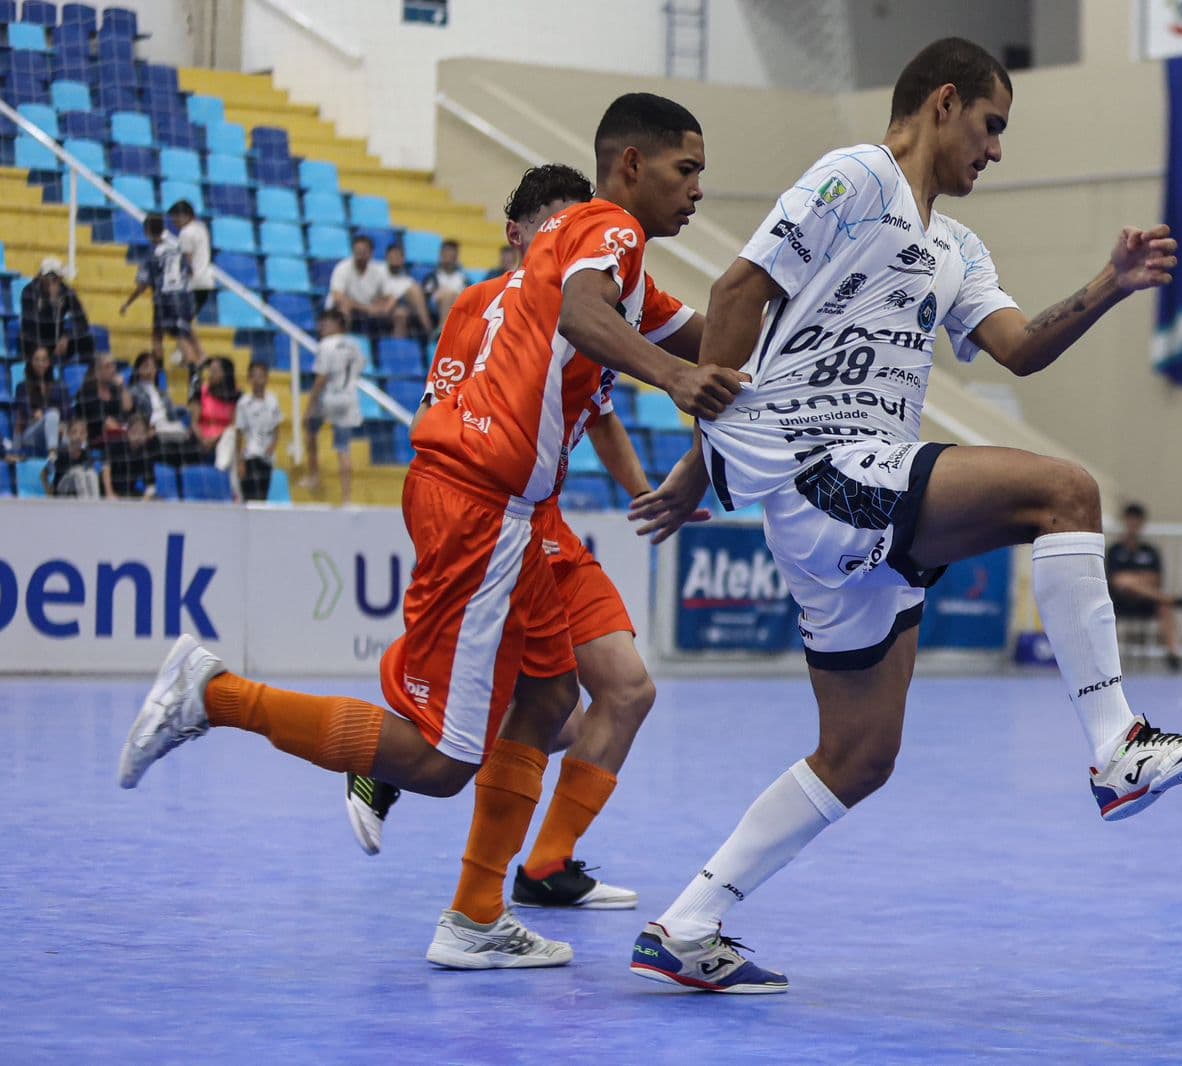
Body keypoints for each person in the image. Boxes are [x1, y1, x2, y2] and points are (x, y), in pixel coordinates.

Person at [627, 38, 1182, 993]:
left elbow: (1021, 349)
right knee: (1067, 492)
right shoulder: (856, 176)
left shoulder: (958, 247)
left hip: (857, 489)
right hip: (823, 463)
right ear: (944, 103)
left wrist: (1109, 287)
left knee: (861, 755)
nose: (996, 151)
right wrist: (710, 454)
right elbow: (737, 293)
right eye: (992, 127)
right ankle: (1118, 745)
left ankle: (688, 921)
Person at [118, 92, 744, 970]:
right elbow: (590, 321)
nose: (699, 191)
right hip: (486, 504)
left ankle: (479, 913)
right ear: (632, 166)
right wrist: (677, 380)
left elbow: (718, 328)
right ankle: (213, 696)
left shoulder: (605, 266)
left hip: (503, 506)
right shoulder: (610, 233)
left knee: (555, 694)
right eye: (688, 171)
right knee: (447, 760)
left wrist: (805, 323)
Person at [346, 162, 706, 921]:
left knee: (623, 692)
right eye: (552, 223)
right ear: (517, 233)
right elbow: (449, 439)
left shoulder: (590, 292)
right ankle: (391, 756)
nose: (568, 237)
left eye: (578, 221)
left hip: (545, 521)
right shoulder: (485, 306)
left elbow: (603, 413)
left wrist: (643, 491)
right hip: (500, 513)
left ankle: (541, 867)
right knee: (543, 710)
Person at [1106, 502, 1182, 672]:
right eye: (1130, 521)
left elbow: (1155, 580)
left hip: (1146, 601)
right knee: (1126, 586)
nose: (1133, 525)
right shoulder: (1114, 550)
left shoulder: (1150, 551)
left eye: (1137, 521)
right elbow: (1117, 581)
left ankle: (1173, 656)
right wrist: (1139, 579)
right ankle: (1172, 599)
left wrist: (1132, 580)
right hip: (1120, 601)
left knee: (1164, 609)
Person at [121, 216, 204, 374]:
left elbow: (143, 284)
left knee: (176, 337)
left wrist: (128, 303)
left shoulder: (153, 254)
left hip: (166, 299)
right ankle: (199, 356)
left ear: (147, 232)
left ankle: (190, 372)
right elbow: (191, 269)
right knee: (163, 332)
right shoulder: (177, 246)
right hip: (184, 297)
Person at [299, 309, 365, 505]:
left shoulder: (326, 345)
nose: (322, 328)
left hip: (330, 398)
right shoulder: (355, 346)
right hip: (349, 399)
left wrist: (309, 405)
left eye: (326, 324)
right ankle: (347, 498)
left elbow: (321, 378)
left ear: (338, 325)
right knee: (343, 447)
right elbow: (361, 366)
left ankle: (314, 476)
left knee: (310, 429)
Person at [19, 258, 96, 366]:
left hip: (58, 339)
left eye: (55, 278)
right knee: (28, 338)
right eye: (49, 277)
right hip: (36, 337)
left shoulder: (66, 292)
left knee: (87, 340)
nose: (52, 281)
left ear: (61, 278)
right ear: (41, 276)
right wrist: (50, 303)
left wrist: (68, 336)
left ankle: (89, 375)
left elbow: (82, 321)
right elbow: (32, 323)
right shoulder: (30, 291)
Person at [127, 351, 197, 463]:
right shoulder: (133, 391)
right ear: (138, 369)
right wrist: (147, 429)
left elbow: (173, 416)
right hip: (152, 428)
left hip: (168, 427)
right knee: (164, 446)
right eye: (146, 366)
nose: (150, 370)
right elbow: (135, 415)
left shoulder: (163, 393)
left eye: (152, 367)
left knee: (192, 444)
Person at [234, 360, 282, 502]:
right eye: (254, 376)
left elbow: (276, 427)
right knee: (250, 497)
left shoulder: (272, 401)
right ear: (249, 378)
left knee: (263, 496)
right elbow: (239, 433)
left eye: (261, 376)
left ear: (267, 378)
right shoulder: (244, 403)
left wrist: (273, 446)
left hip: (266, 458)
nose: (257, 379)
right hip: (249, 456)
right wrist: (240, 461)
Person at [324, 235, 388, 341]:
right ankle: (343, 343)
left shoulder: (379, 270)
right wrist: (367, 308)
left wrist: (380, 305)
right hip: (340, 309)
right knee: (345, 307)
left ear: (371, 253)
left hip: (367, 309)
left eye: (363, 251)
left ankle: (392, 349)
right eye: (357, 251)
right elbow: (338, 296)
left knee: (398, 313)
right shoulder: (342, 267)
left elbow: (387, 295)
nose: (360, 255)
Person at [10, 347, 68, 457]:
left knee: (75, 435)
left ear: (49, 363)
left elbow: (67, 412)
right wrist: (39, 414)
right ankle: (53, 453)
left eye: (44, 360)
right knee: (52, 415)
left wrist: (43, 412)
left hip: (58, 429)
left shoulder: (59, 386)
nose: (40, 363)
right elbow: (26, 413)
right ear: (31, 362)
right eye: (37, 359)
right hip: (32, 432)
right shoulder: (22, 387)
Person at [72, 352, 134, 449]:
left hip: (119, 436)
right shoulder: (86, 393)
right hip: (97, 440)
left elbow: (128, 409)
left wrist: (123, 387)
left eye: (113, 366)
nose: (113, 370)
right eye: (107, 367)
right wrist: (130, 435)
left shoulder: (115, 390)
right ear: (97, 371)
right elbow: (105, 423)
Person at [168, 201, 216, 320]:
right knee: (188, 319)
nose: (174, 222)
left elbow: (187, 260)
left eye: (176, 218)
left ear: (186, 215)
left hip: (193, 282)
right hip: (207, 280)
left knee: (181, 320)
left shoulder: (185, 233)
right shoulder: (202, 228)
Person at [191, 356, 239, 467]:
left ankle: (220, 470)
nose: (210, 374)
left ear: (225, 374)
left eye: (215, 371)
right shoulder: (201, 391)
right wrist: (203, 440)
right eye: (210, 371)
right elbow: (194, 422)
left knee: (231, 435)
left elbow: (234, 425)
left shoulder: (236, 396)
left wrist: (214, 440)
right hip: (200, 440)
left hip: (223, 441)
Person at [379, 242, 433, 339]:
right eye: (392, 255)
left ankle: (427, 330)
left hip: (393, 309)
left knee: (401, 314)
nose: (395, 258)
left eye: (398, 256)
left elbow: (395, 302)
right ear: (387, 257)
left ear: (403, 259)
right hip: (375, 303)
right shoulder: (377, 270)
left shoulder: (407, 281)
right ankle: (429, 330)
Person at [103, 411, 159, 500]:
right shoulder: (116, 446)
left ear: (146, 435)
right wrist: (110, 494)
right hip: (107, 492)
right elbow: (106, 469)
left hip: (129, 494)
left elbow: (151, 485)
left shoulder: (146, 455)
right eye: (134, 431)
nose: (137, 436)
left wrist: (144, 501)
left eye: (142, 433)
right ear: (128, 431)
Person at [47, 417, 98, 497]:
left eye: (82, 433)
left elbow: (88, 469)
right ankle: (85, 503)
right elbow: (49, 473)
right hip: (61, 487)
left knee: (91, 474)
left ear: (86, 435)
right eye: (75, 432)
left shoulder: (86, 453)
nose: (78, 436)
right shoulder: (61, 452)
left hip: (78, 484)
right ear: (68, 434)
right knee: (77, 472)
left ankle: (95, 503)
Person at [422, 239, 469, 326]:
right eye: (446, 254)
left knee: (453, 295)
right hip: (436, 307)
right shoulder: (433, 277)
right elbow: (426, 297)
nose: (448, 257)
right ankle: (443, 328)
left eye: (451, 255)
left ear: (456, 257)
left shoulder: (464, 278)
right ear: (441, 255)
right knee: (449, 294)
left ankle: (446, 330)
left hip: (457, 306)